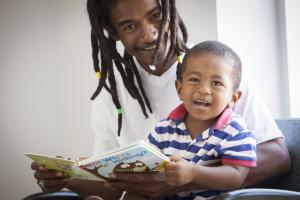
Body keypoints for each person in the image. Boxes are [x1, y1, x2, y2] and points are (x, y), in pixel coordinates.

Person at [31, 0, 290, 199]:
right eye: (129, 26)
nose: (149, 35)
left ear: (169, 9)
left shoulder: (218, 71)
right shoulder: (111, 97)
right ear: (112, 31)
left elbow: (279, 156)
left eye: (155, 15)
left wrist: (184, 179)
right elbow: (112, 185)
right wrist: (65, 179)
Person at [146, 40, 257, 199]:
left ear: (233, 98)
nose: (204, 90)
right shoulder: (163, 129)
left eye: (216, 83)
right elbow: (150, 164)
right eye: (194, 80)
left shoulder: (235, 131)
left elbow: (236, 176)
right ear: (179, 89)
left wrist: (194, 173)